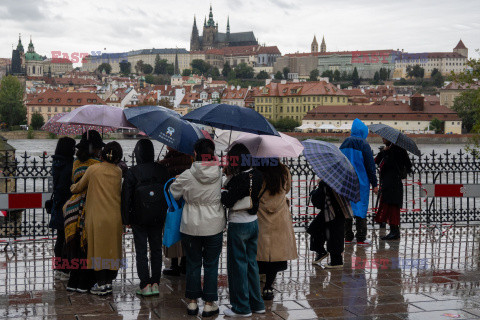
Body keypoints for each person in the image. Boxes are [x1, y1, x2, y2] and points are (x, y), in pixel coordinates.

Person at [169, 139, 225, 317]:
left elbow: (173, 192)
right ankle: (209, 303)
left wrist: (180, 183)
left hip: (190, 225)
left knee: (193, 264)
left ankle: (192, 303)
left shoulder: (187, 175)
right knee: (211, 264)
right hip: (214, 225)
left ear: (195, 154)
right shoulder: (220, 173)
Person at [70, 141, 124, 296]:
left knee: (98, 250)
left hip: (96, 216)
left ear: (102, 154)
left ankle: (100, 284)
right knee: (112, 249)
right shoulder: (118, 171)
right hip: (114, 216)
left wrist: (71, 188)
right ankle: (109, 282)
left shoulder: (93, 170)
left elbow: (79, 187)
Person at [221, 144, 265, 317]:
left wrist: (224, 189)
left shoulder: (238, 179)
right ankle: (257, 303)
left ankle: (241, 307)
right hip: (253, 223)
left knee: (237, 266)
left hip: (238, 224)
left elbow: (228, 201)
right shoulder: (258, 174)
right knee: (251, 264)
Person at [122, 139, 170, 296]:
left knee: (141, 251)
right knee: (156, 249)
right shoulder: (162, 170)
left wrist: (126, 219)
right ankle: (156, 283)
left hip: (138, 217)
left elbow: (126, 197)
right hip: (158, 216)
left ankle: (145, 285)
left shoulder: (132, 172)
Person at [64, 130, 104, 293]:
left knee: (75, 245)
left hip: (72, 207)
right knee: (87, 246)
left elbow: (74, 183)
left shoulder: (75, 163)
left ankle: (73, 282)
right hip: (88, 206)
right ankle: (84, 282)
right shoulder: (96, 166)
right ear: (93, 149)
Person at [256, 161, 298, 300]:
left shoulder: (257, 171)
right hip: (280, 214)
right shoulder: (283, 170)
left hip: (260, 214)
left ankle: (256, 284)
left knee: (259, 251)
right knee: (275, 254)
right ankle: (268, 287)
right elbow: (287, 189)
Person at [340, 118, 378, 246]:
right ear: (363, 131)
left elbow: (339, 160)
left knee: (347, 209)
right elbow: (370, 166)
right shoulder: (364, 144)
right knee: (360, 209)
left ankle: (347, 237)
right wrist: (375, 184)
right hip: (361, 182)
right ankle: (361, 237)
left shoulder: (345, 143)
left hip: (346, 181)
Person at [158, 147, 193, 276]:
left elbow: (164, 180)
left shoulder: (168, 161)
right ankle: (184, 263)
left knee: (172, 228)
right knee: (186, 232)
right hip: (187, 201)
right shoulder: (190, 160)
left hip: (172, 201)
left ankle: (174, 265)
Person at [307, 181, 353, 268]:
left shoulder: (328, 181)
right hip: (338, 209)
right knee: (319, 230)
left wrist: (318, 186)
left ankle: (336, 261)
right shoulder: (341, 178)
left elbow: (318, 199)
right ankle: (322, 252)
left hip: (333, 210)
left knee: (333, 235)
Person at [374, 138, 412, 240]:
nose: (382, 139)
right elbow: (408, 167)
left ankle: (394, 232)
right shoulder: (400, 151)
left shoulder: (392, 152)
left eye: (384, 138)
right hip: (395, 183)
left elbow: (378, 162)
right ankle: (394, 230)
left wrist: (384, 152)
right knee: (393, 208)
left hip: (390, 184)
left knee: (391, 207)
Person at [50, 137, 76, 281]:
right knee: (68, 239)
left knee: (60, 238)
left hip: (58, 204)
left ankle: (59, 268)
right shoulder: (70, 164)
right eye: (73, 147)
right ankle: (65, 269)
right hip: (68, 205)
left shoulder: (56, 162)